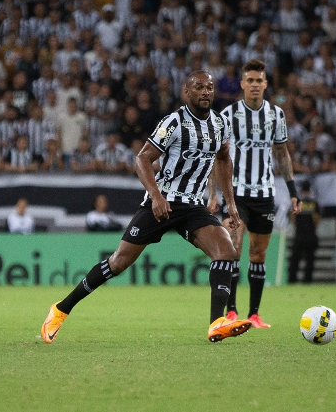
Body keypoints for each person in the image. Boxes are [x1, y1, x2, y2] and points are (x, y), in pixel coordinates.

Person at [41, 71, 252, 344]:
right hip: (162, 202)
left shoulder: (220, 124)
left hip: (193, 206)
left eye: (209, 88)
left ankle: (217, 323)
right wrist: (155, 196)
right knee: (118, 262)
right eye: (198, 87)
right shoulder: (173, 123)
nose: (205, 92)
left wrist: (231, 204)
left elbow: (223, 160)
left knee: (226, 250)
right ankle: (60, 309)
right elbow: (142, 159)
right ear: (186, 92)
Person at [208, 59, 301, 329]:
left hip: (264, 193)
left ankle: (255, 314)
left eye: (259, 80)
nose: (255, 85)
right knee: (233, 248)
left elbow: (282, 153)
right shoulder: (228, 116)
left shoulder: (276, 115)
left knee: (258, 255)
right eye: (250, 80)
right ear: (242, 84)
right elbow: (217, 156)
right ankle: (232, 311)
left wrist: (293, 191)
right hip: (235, 193)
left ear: (265, 84)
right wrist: (213, 194)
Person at [288, 180, 321, 283]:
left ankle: (292, 281)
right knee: (309, 261)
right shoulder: (314, 204)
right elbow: (317, 220)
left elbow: (292, 219)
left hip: (299, 236)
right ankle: (307, 281)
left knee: (295, 261)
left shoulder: (297, 203)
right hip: (311, 236)